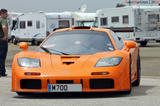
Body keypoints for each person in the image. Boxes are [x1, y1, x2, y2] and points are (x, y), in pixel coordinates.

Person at [0, 9, 8, 77]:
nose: (7, 15)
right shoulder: (3, 20)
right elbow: (4, 27)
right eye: (5, 14)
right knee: (2, 57)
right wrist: (5, 36)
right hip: (2, 40)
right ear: (2, 14)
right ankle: (2, 72)